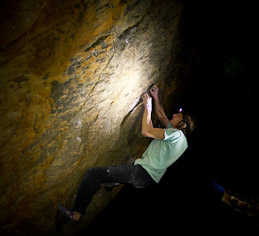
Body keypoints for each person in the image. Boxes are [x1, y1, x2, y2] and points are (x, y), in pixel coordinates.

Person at [58, 85, 195, 225]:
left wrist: (148, 107)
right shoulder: (181, 140)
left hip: (142, 173)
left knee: (93, 174)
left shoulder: (177, 135)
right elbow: (162, 116)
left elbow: (147, 131)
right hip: (146, 176)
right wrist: (156, 97)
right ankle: (111, 183)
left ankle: (76, 214)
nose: (174, 115)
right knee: (125, 165)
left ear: (183, 125)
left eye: (178, 116)